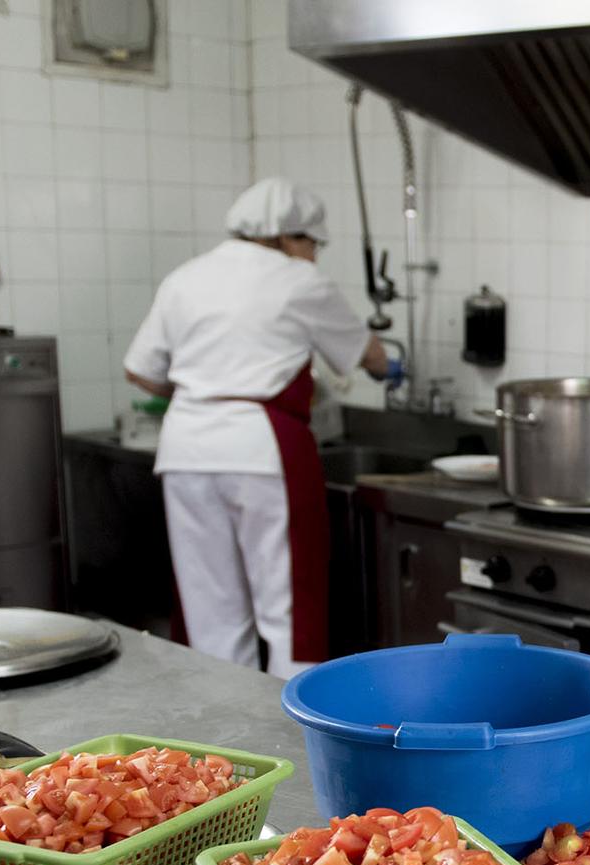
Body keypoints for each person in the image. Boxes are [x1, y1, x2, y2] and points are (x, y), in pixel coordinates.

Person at [124, 178, 398, 675]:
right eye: (313, 243)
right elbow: (369, 354)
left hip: (186, 449)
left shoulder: (186, 277)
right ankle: (291, 729)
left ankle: (222, 741)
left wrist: (206, 390)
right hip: (260, 448)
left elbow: (139, 370)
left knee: (211, 610)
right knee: (287, 603)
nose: (313, 255)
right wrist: (388, 369)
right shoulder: (300, 282)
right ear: (288, 237)